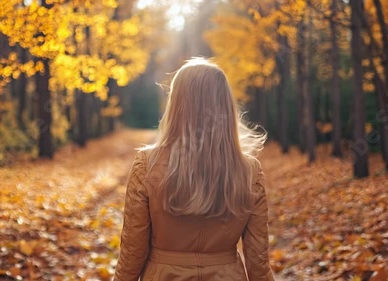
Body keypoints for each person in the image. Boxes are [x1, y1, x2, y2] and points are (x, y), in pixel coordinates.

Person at [113, 58, 275, 281]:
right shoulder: (249, 172)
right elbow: (258, 262)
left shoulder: (147, 166)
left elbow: (133, 252)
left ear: (176, 104)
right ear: (225, 106)